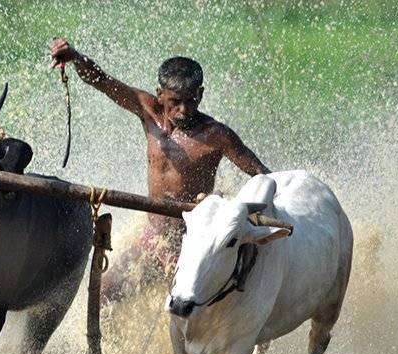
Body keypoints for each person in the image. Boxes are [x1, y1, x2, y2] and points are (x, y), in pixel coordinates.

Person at [50, 37, 271, 300]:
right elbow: (102, 81)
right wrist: (74, 56)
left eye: (191, 100)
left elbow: (262, 175)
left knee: (183, 306)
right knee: (106, 292)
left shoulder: (217, 135)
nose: (183, 109)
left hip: (193, 244)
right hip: (153, 238)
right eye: (175, 101)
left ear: (200, 94)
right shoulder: (147, 110)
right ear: (160, 94)